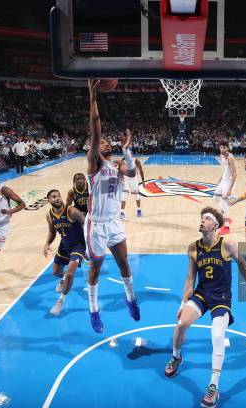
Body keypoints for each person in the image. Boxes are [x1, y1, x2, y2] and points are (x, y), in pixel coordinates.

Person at [164, 207, 246, 408]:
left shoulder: (227, 245)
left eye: (206, 219)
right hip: (202, 294)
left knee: (217, 335)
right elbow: (190, 278)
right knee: (180, 324)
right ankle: (176, 357)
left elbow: (242, 263)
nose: (202, 221)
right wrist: (182, 303)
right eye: (201, 218)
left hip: (221, 297)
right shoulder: (193, 248)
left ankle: (213, 386)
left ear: (215, 225)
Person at [84, 79, 140, 333]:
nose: (105, 143)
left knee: (124, 265)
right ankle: (94, 311)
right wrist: (93, 97)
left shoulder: (117, 165)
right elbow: (95, 131)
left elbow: (130, 173)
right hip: (96, 225)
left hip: (115, 222)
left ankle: (131, 299)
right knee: (95, 268)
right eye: (102, 142)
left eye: (108, 142)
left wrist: (127, 150)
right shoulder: (94, 164)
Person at [43, 189, 86, 316]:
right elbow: (52, 231)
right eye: (54, 197)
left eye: (59, 196)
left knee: (70, 273)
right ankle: (62, 279)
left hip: (78, 245)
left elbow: (87, 223)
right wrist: (47, 244)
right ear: (49, 200)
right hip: (64, 245)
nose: (57, 198)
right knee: (56, 272)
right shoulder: (49, 215)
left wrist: (90, 245)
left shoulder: (72, 211)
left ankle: (60, 301)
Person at [214, 142, 236, 235]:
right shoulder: (222, 156)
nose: (221, 149)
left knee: (224, 202)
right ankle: (227, 218)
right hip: (223, 181)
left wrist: (230, 188)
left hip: (229, 182)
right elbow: (223, 170)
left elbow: (235, 174)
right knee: (216, 198)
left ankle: (226, 227)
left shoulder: (230, 157)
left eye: (223, 148)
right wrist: (219, 180)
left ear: (228, 148)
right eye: (220, 147)